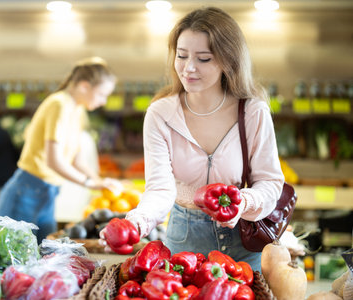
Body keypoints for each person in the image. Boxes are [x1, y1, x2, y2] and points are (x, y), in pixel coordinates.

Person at [99, 7, 284, 271]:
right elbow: (161, 189)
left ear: (228, 61)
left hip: (245, 241)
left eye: (204, 58)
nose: (189, 68)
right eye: (182, 55)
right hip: (184, 238)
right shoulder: (161, 114)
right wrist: (136, 223)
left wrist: (242, 202)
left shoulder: (253, 112)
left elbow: (270, 182)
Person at [0, 57, 122, 244]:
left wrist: (100, 182)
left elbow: (75, 160)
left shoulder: (78, 109)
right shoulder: (59, 104)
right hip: (26, 192)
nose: (103, 101)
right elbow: (53, 160)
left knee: (44, 256)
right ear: (84, 86)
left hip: (48, 193)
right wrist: (89, 183)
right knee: (14, 260)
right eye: (102, 94)